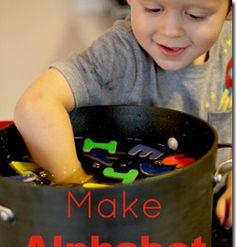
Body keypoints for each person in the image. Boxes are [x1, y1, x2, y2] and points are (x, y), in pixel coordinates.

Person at [14, 0, 232, 228]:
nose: (170, 31)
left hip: (206, 212)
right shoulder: (119, 52)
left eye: (195, 15)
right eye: (153, 9)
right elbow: (36, 105)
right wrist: (77, 186)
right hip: (127, 225)